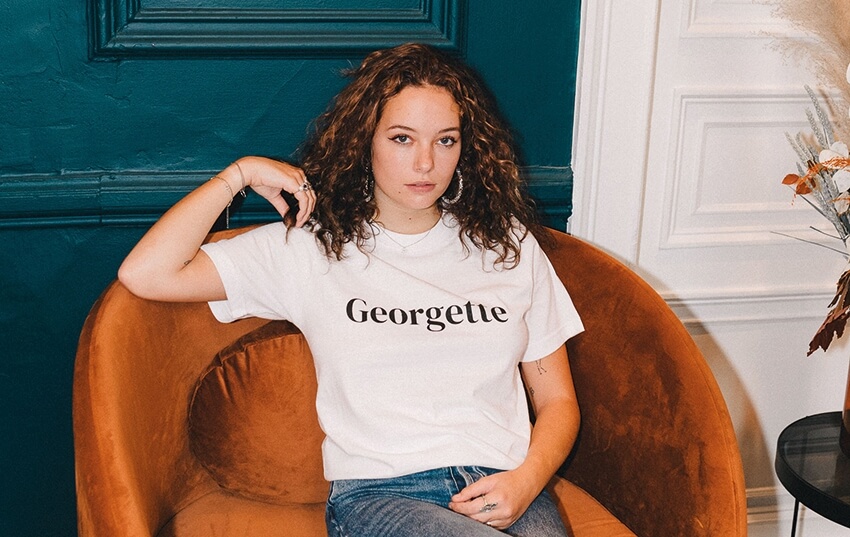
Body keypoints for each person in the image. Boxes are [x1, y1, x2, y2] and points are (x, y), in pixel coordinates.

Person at [119, 42, 583, 536]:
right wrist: (240, 174)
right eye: (402, 138)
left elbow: (558, 401)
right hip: (383, 496)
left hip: (508, 485)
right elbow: (146, 273)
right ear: (366, 141)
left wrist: (527, 480)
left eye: (445, 140)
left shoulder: (506, 243)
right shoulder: (313, 247)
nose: (425, 163)